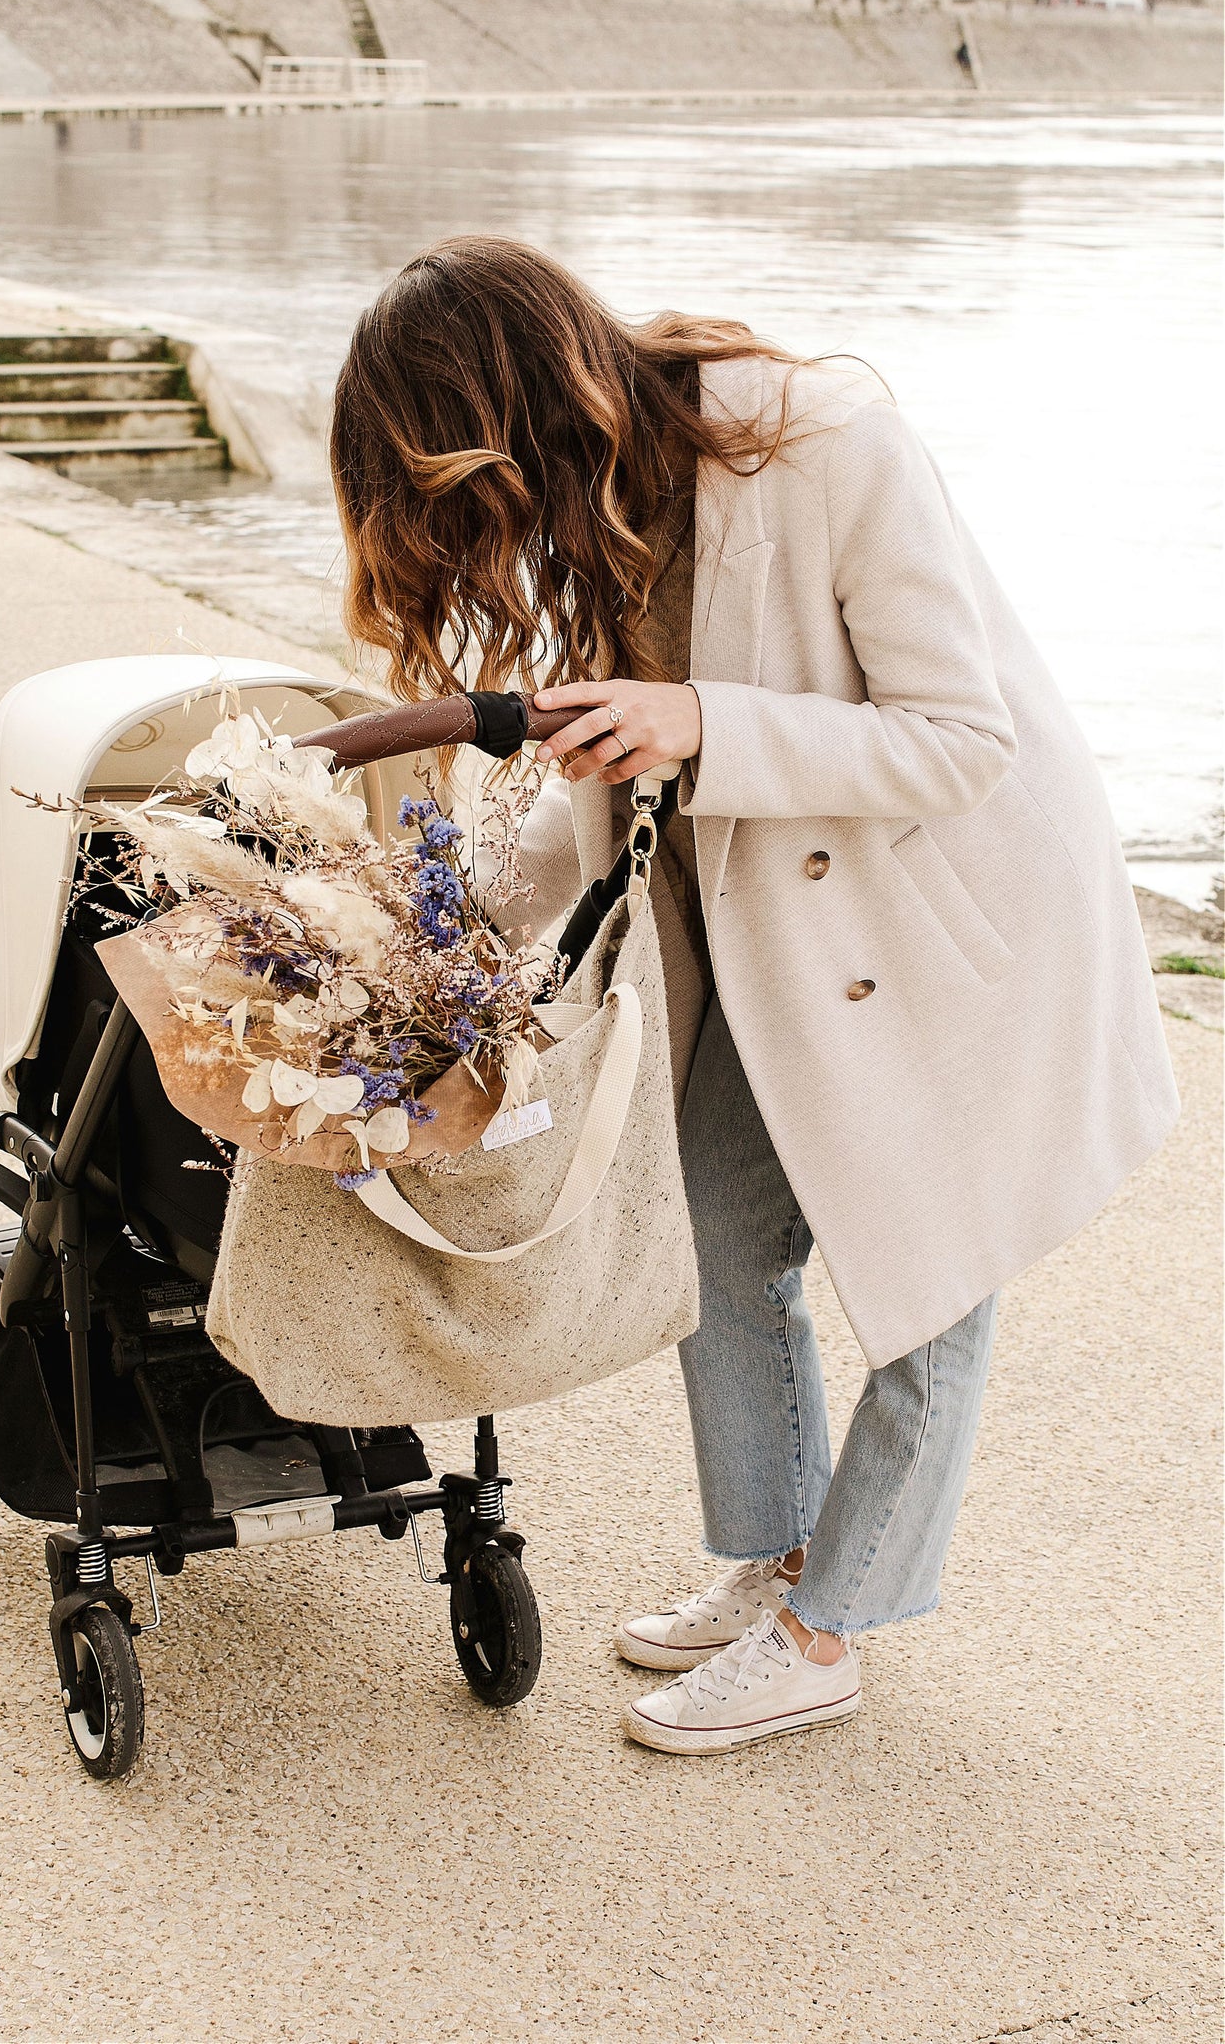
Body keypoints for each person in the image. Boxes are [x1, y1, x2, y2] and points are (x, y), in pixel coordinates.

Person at [329, 234, 1178, 1755]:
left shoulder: (822, 437)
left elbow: (955, 738)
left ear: (522, 411)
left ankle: (825, 1629)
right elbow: (588, 778)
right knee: (713, 1239)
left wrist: (699, 719)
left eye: (466, 489)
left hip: (951, 929)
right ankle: (776, 1558)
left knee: (930, 1296)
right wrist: (423, 950)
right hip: (790, 948)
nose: (481, 533)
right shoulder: (599, 511)